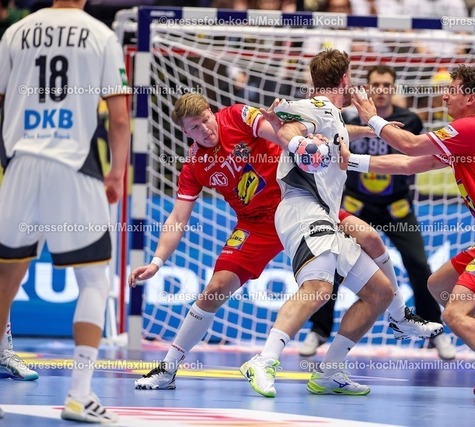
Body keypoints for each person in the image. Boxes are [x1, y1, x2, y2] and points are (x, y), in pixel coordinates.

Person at [131, 92, 439, 390]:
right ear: (186, 133)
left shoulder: (236, 117)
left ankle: (399, 316)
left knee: (369, 236)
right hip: (256, 225)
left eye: (205, 120)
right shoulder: (194, 166)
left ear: (212, 112)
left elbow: (284, 133)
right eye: (195, 128)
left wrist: (319, 141)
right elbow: (177, 218)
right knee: (215, 289)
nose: (205, 129)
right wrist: (157, 262)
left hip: (298, 203)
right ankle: (168, 368)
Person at [239, 49, 443, 398]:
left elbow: (335, 129)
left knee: (379, 292)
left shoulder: (330, 114)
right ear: (345, 79)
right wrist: (300, 142)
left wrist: (366, 128)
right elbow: (288, 127)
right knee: (319, 288)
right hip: (303, 209)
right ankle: (263, 360)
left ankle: (330, 369)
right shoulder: (314, 107)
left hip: (326, 214)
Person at [345, 64, 475, 407]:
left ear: (470, 97)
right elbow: (409, 164)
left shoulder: (470, 127)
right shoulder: (472, 133)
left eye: (453, 89)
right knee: (438, 285)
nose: (445, 96)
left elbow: (409, 144)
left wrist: (372, 118)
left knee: (454, 315)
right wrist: (350, 161)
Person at [0, 0, 130, 423]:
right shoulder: (100, 34)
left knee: (5, 279)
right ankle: (79, 394)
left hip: (19, 163)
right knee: (93, 278)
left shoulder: (15, 32)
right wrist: (116, 173)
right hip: (74, 166)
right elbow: (119, 119)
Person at [300, 65, 456, 360]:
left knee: (418, 265)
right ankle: (319, 330)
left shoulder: (409, 120)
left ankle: (434, 334)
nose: (381, 89)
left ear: (393, 88)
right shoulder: (347, 119)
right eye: (376, 84)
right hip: (356, 206)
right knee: (333, 265)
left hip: (397, 208)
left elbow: (413, 160)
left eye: (387, 84)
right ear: (368, 88)